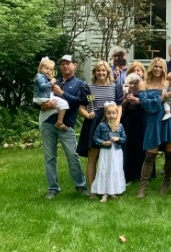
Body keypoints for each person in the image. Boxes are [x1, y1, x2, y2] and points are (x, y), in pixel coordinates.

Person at [38, 54, 90, 199]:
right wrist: (43, 106)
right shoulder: (52, 81)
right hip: (47, 124)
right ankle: (53, 188)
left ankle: (80, 186)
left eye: (68, 63)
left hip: (66, 126)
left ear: (75, 65)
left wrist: (62, 93)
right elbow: (38, 99)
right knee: (50, 157)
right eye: (62, 64)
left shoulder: (81, 84)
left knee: (72, 156)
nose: (65, 66)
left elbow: (81, 102)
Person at [136, 57, 171, 198]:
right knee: (150, 155)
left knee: (170, 154)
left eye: (161, 67)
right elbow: (145, 104)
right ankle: (142, 188)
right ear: (151, 67)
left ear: (164, 69)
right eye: (155, 67)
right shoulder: (143, 84)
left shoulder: (169, 81)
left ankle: (165, 185)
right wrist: (162, 99)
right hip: (154, 122)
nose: (158, 69)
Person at [77, 60, 123, 199]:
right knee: (93, 158)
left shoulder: (115, 87)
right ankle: (92, 190)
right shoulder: (88, 87)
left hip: (111, 123)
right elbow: (81, 107)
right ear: (94, 72)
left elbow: (120, 106)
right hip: (93, 123)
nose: (101, 73)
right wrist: (87, 115)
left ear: (108, 72)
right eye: (98, 70)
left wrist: (117, 122)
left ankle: (109, 188)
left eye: (103, 70)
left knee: (110, 158)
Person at [120, 61, 151, 184]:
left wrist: (139, 100)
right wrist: (127, 101)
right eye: (133, 70)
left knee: (142, 145)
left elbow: (150, 104)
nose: (136, 72)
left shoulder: (147, 86)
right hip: (128, 118)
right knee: (129, 145)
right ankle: (129, 174)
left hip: (143, 117)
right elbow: (120, 106)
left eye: (139, 70)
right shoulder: (125, 86)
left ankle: (143, 174)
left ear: (143, 73)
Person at [91, 102, 127, 202]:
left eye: (113, 113)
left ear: (117, 114)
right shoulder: (101, 125)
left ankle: (113, 190)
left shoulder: (119, 126)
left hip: (116, 151)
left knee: (115, 168)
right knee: (105, 168)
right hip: (105, 151)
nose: (111, 115)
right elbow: (95, 138)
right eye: (108, 113)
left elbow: (124, 138)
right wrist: (103, 142)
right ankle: (104, 192)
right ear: (105, 114)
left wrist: (118, 139)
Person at [33, 57, 69, 130]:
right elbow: (43, 86)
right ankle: (59, 122)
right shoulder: (40, 77)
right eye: (46, 69)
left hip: (42, 98)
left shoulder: (43, 77)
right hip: (43, 98)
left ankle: (58, 121)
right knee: (64, 104)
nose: (49, 71)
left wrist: (50, 79)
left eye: (50, 70)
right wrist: (51, 82)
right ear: (40, 69)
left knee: (58, 107)